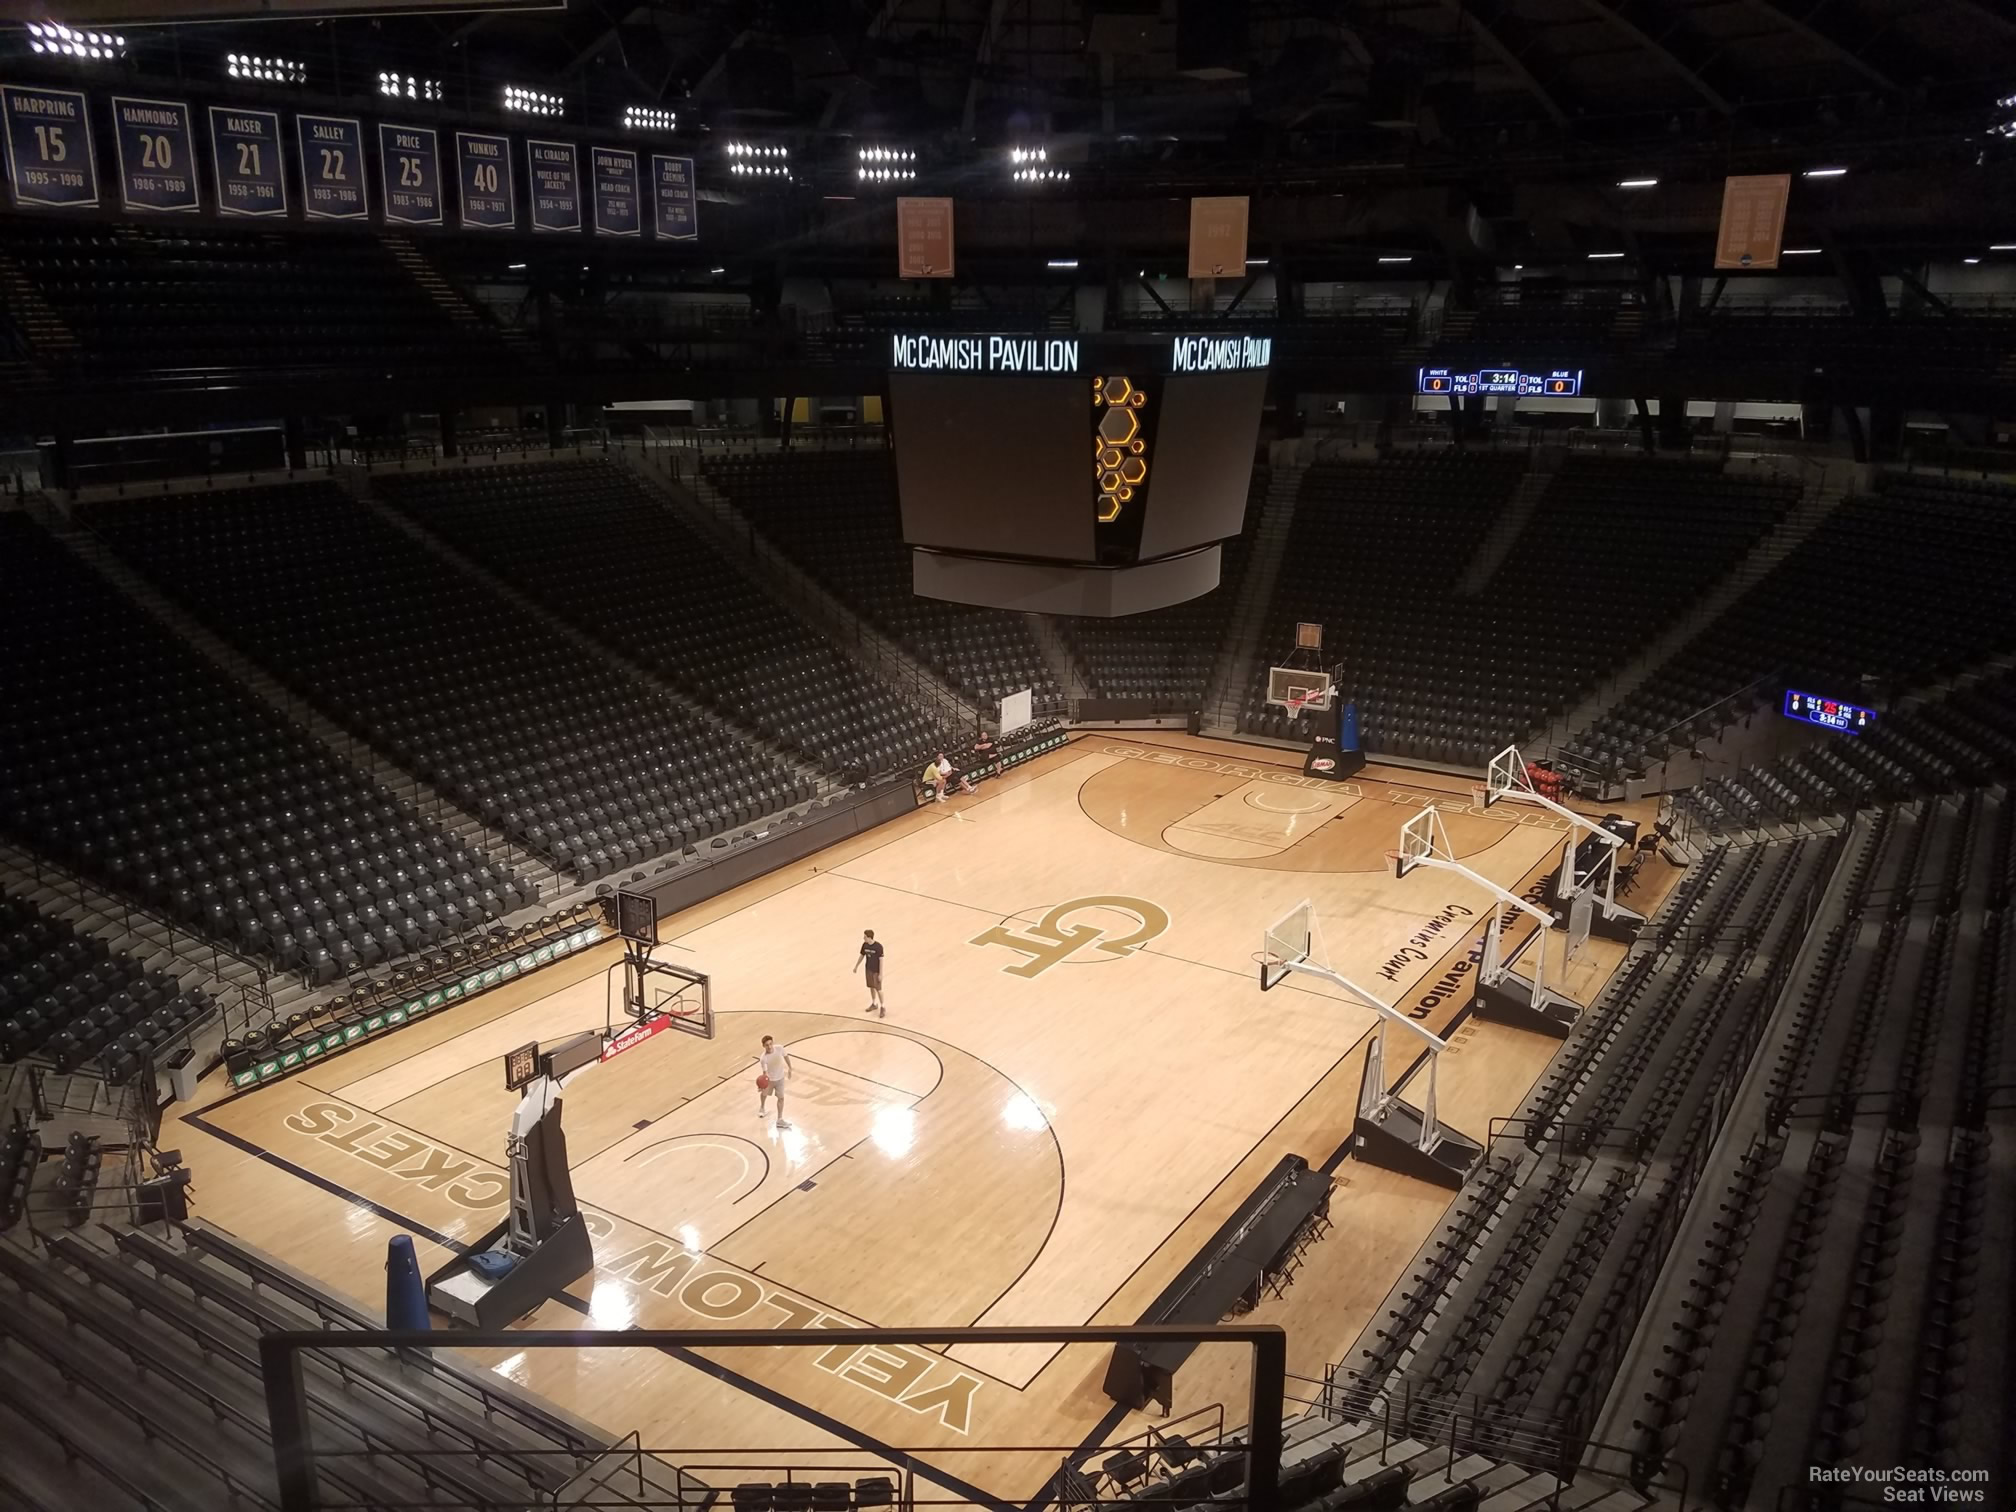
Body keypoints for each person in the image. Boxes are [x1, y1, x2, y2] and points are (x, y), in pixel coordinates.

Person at [755, 1034, 794, 1129]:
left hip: (780, 1078)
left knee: (781, 1098)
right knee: (764, 1094)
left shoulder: (780, 1048)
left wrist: (790, 1068)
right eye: (767, 1045)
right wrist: (763, 1083)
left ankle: (780, 1119)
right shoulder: (763, 1058)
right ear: (763, 1046)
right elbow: (765, 1072)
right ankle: (762, 1107)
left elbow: (786, 1056)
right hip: (770, 1080)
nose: (769, 1046)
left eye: (770, 1044)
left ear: (773, 1043)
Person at [855, 928, 886, 1017]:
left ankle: (883, 1006)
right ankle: (874, 1003)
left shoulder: (878, 947)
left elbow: (881, 961)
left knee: (878, 989)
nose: (863, 938)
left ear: (869, 937)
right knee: (871, 987)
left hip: (876, 971)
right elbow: (862, 955)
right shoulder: (865, 945)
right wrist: (856, 966)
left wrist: (880, 974)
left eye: (865, 937)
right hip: (868, 969)